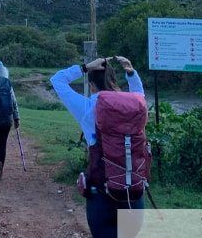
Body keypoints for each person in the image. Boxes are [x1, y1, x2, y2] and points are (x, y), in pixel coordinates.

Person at [51, 56, 145, 238]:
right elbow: (139, 93)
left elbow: (57, 80)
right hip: (134, 191)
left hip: (102, 193)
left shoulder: (87, 108)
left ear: (92, 85)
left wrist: (84, 67)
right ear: (113, 81)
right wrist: (131, 73)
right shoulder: (136, 106)